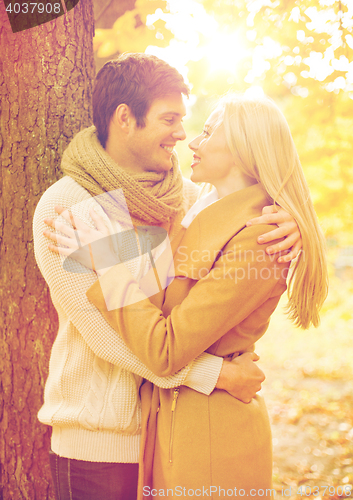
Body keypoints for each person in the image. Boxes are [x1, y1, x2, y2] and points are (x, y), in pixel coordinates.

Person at [35, 53, 302, 500]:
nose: (182, 133)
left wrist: (289, 223)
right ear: (125, 118)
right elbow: (107, 336)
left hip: (170, 435)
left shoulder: (187, 198)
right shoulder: (70, 207)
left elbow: (244, 209)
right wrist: (212, 375)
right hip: (97, 446)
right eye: (169, 119)